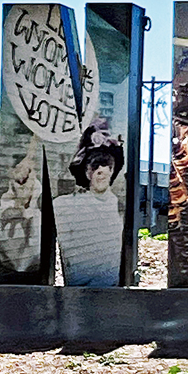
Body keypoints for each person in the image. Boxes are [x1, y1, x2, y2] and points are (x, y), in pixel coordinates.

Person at [54, 119, 126, 286]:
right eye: (94, 165)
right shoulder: (64, 205)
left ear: (112, 170)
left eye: (106, 164)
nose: (101, 170)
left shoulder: (119, 207)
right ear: (86, 171)